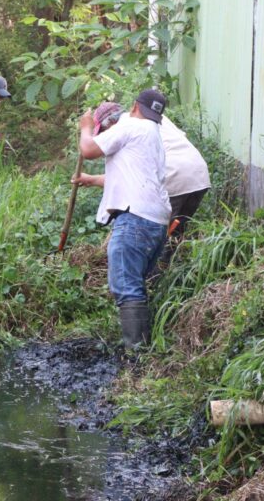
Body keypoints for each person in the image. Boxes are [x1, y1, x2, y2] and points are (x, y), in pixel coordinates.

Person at [72, 90, 171, 349]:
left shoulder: (131, 124)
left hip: (135, 219)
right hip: (156, 221)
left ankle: (136, 353)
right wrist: (92, 180)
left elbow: (89, 149)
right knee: (135, 285)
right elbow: (133, 175)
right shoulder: (152, 133)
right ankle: (141, 349)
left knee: (126, 287)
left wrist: (85, 128)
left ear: (134, 106)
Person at [92, 102, 211, 258]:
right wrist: (91, 179)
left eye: (102, 131)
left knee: (152, 240)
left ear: (111, 123)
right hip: (198, 175)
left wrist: (91, 179)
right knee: (173, 235)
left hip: (172, 178)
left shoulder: (123, 129)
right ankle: (166, 276)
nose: (103, 136)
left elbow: (125, 179)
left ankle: (151, 278)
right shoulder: (149, 117)